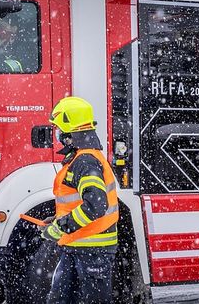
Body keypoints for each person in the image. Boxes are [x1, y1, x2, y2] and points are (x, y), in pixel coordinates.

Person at [40, 96, 119, 304]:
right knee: (59, 299)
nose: (56, 134)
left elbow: (96, 204)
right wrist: (58, 220)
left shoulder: (85, 161)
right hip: (78, 246)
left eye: (58, 129)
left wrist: (61, 227)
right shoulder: (81, 159)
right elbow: (83, 203)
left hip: (92, 250)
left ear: (69, 134)